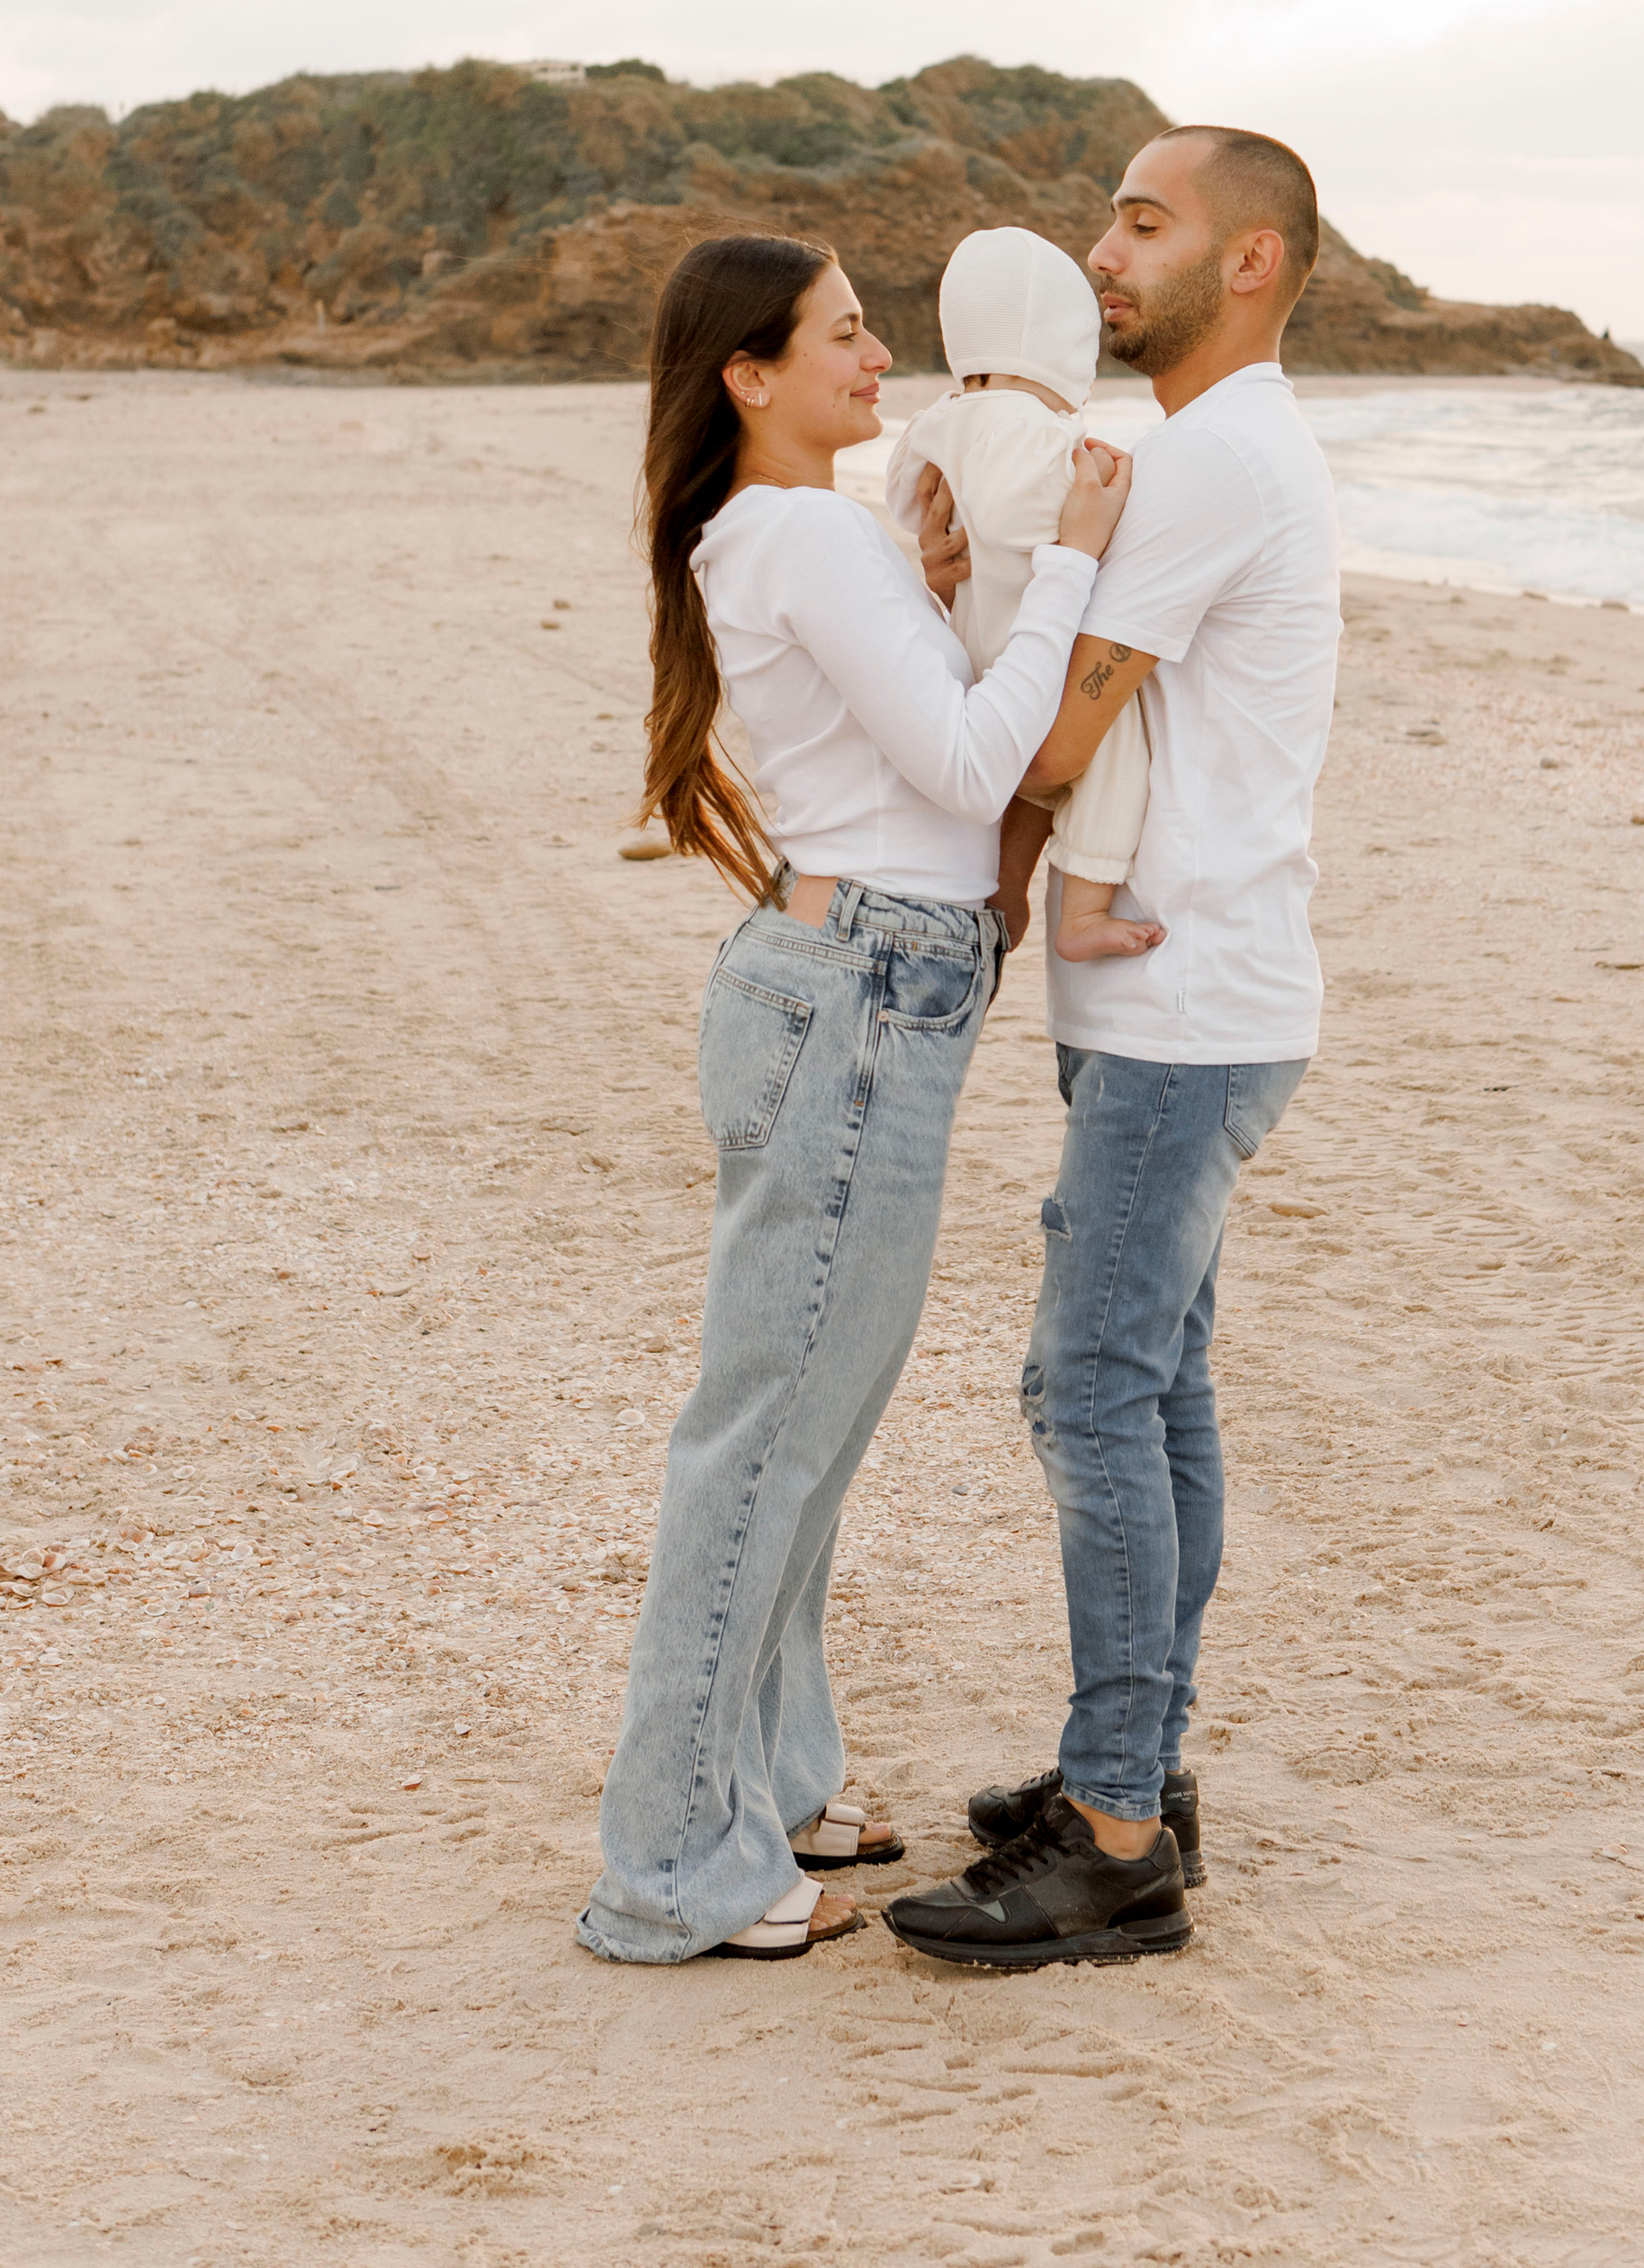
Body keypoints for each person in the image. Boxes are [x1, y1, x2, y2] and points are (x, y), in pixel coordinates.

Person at [575, 230, 1133, 1966]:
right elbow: (972, 763)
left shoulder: (799, 528)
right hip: (862, 996)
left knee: (805, 1425)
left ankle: (784, 1778)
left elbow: (903, 724)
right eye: (844, 333)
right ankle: (671, 1861)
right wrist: (1072, 575)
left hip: (861, 983)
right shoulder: (799, 528)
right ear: (750, 373)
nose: (881, 357)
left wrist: (927, 565)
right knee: (766, 1438)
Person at [885, 125, 1342, 1974]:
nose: (1104, 253)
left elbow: (1065, 725)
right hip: (1185, 992)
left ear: (1249, 259)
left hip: (1182, 1001)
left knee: (1086, 1389)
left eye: (1142, 222)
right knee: (1154, 1391)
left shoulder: (1219, 452)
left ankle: (1115, 1831)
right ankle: (1136, 1765)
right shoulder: (1195, 449)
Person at [883, 227, 1161, 966]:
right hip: (1038, 656)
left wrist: (946, 517)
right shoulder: (1045, 438)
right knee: (1118, 747)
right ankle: (1088, 904)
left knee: (1012, 832)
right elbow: (1048, 509)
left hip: (974, 657)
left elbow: (912, 505)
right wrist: (1100, 479)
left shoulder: (939, 421)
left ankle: (1006, 903)